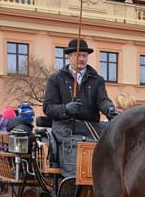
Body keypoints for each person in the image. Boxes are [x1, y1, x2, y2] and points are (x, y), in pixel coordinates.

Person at [42, 38, 117, 177]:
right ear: (69, 56)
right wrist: (66, 109)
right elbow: (48, 107)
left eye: (84, 55)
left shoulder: (97, 80)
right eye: (77, 55)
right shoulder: (56, 79)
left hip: (91, 128)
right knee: (77, 148)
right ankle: (73, 183)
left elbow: (102, 100)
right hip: (65, 127)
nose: (81, 59)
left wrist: (109, 109)